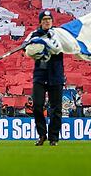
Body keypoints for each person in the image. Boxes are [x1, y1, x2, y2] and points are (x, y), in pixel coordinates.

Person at [26, 9, 64, 146]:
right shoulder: (34, 35)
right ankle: (42, 135)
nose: (47, 22)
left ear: (52, 21)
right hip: (40, 75)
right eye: (44, 20)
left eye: (49, 19)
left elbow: (64, 47)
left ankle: (54, 138)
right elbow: (26, 49)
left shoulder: (58, 34)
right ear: (40, 22)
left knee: (56, 108)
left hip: (56, 74)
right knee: (37, 106)